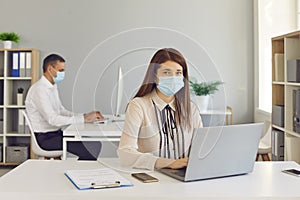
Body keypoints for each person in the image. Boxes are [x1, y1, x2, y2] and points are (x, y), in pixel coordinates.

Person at [117, 48, 203, 170]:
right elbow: (125, 154)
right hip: (152, 178)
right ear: (154, 76)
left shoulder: (191, 109)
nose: (173, 78)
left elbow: (201, 148)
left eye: (178, 73)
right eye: (166, 72)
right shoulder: (138, 106)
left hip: (184, 178)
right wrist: (167, 163)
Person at [25, 54, 103, 160]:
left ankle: (79, 173)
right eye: (60, 70)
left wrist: (84, 116)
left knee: (94, 144)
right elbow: (52, 119)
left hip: (56, 134)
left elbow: (61, 111)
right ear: (50, 69)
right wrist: (82, 119)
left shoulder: (52, 87)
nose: (63, 73)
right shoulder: (39, 90)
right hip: (45, 139)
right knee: (92, 147)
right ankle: (78, 174)